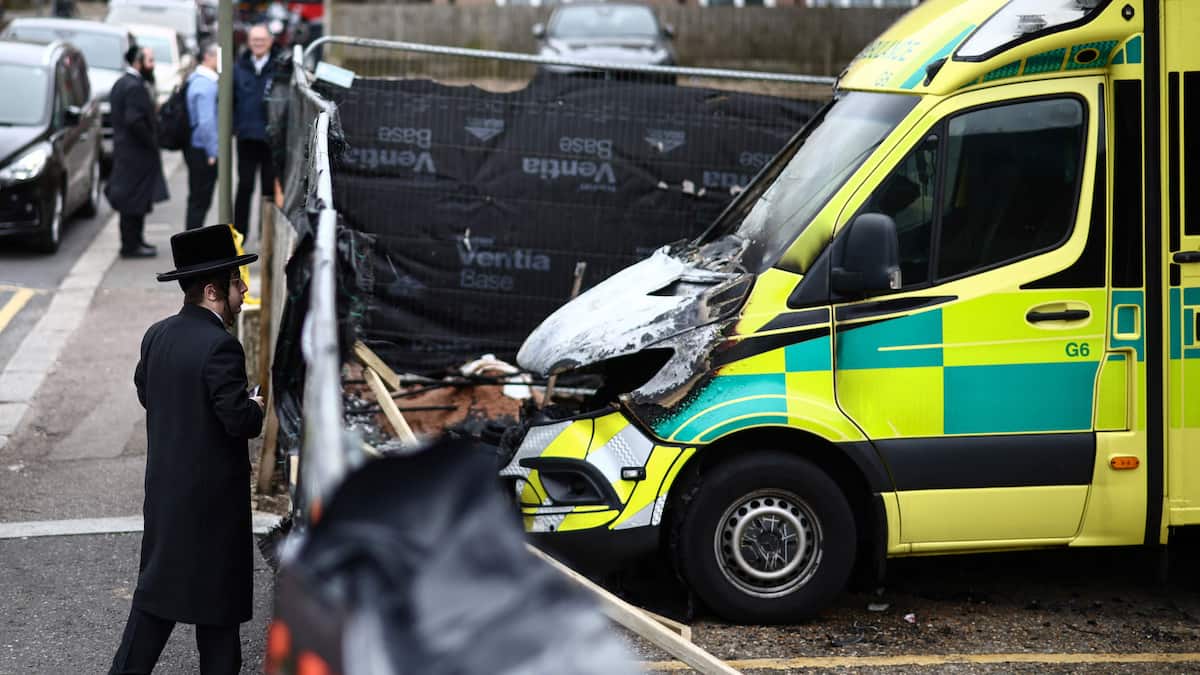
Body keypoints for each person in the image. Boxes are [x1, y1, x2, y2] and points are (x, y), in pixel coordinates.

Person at [109, 225, 265, 675]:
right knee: (218, 619)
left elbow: (146, 392)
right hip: (213, 509)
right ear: (214, 290)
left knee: (154, 609)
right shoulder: (221, 346)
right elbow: (239, 421)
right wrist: (255, 405)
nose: (244, 292)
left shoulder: (157, 334)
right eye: (239, 284)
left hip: (165, 499)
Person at [105, 45, 168, 258]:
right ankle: (131, 245)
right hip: (136, 155)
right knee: (133, 201)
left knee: (134, 201)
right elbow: (134, 120)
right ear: (138, 62)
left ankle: (135, 241)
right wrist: (151, 141)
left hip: (127, 152)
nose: (153, 65)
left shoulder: (124, 83)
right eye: (150, 60)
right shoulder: (134, 87)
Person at [233, 24, 277, 240]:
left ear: (270, 41)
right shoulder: (239, 68)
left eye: (261, 39)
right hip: (247, 138)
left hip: (270, 140)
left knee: (268, 189)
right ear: (248, 42)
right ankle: (239, 235)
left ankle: (266, 236)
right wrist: (235, 126)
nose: (257, 43)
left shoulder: (279, 67)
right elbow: (229, 99)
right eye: (254, 39)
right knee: (245, 186)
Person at [185, 43, 220, 231]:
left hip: (196, 147)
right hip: (202, 150)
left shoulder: (196, 79)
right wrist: (213, 151)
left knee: (196, 199)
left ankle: (191, 242)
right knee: (200, 200)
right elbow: (206, 122)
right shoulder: (206, 85)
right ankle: (191, 245)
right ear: (209, 57)